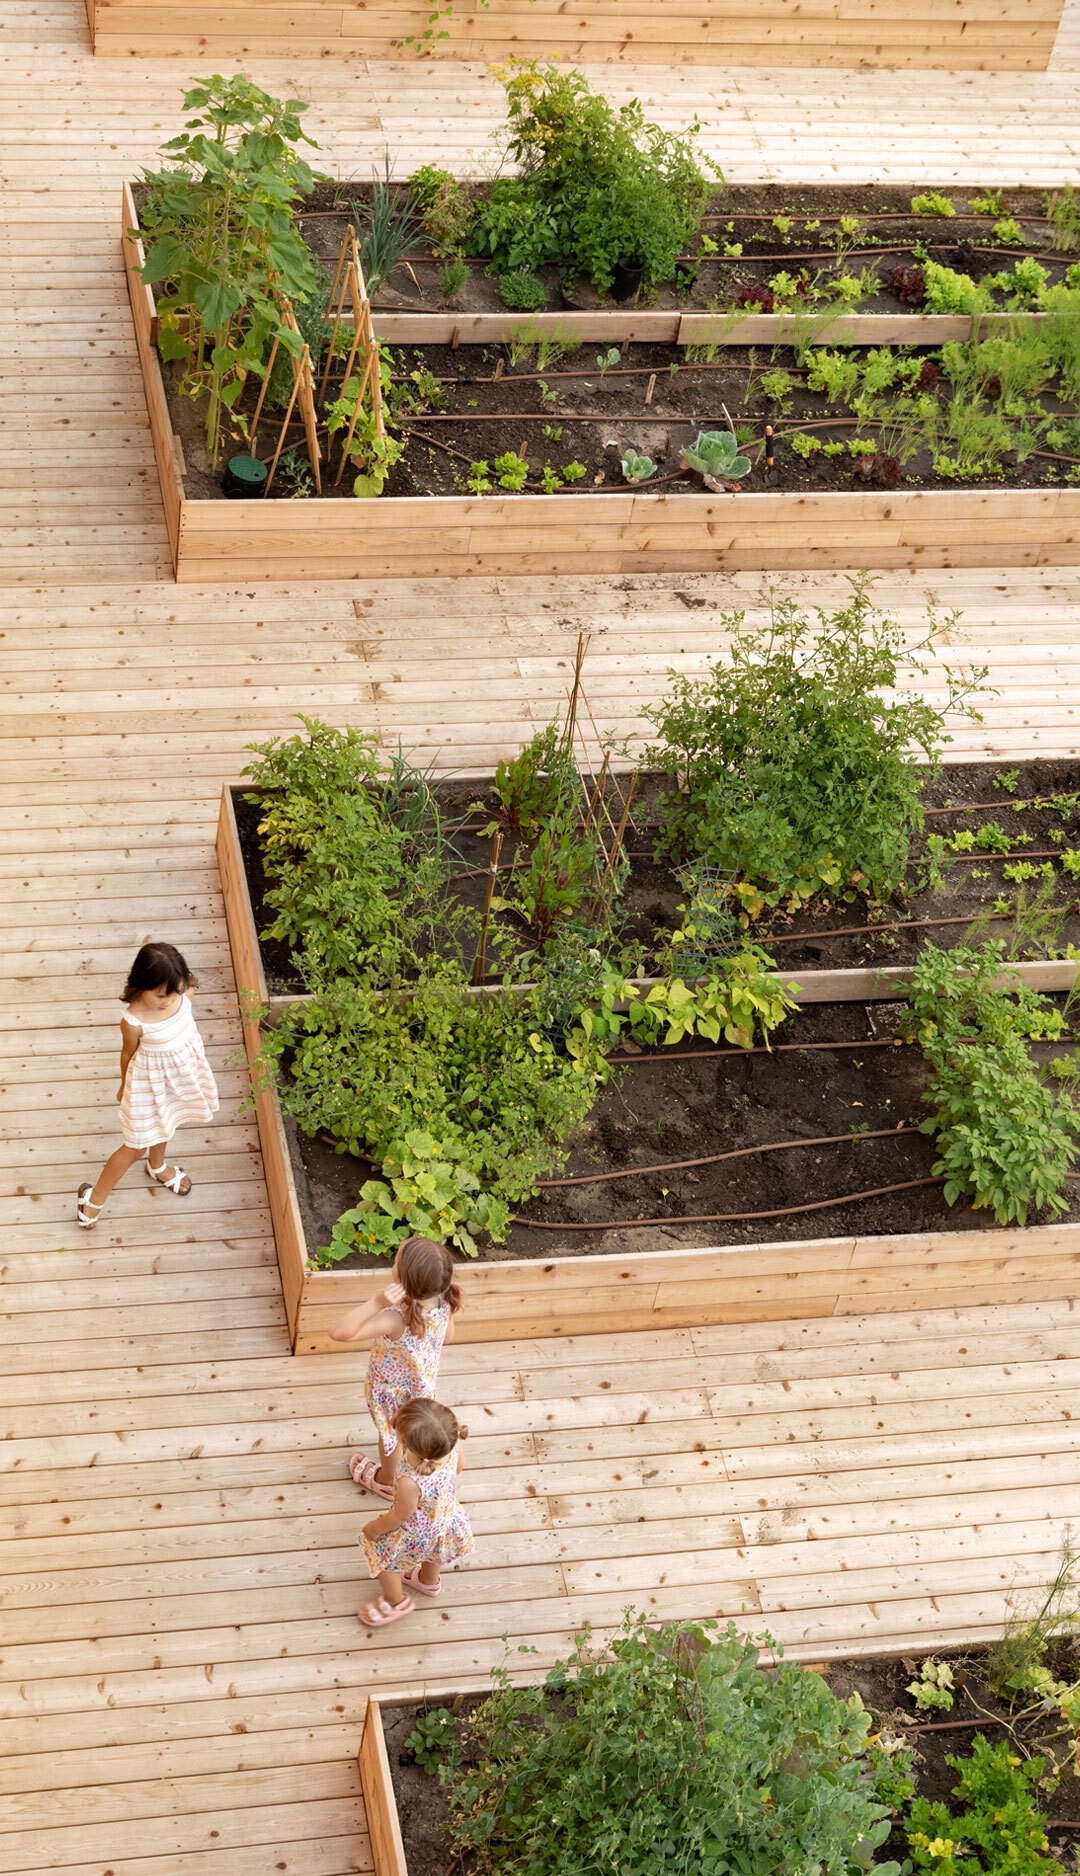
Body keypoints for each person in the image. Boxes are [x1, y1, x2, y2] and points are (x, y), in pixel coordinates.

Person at [76, 942, 219, 1229]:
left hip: (178, 1078)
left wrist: (180, 993)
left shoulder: (184, 993)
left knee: (169, 1120)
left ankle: (158, 1167)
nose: (169, 1000)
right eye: (160, 995)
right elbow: (128, 1053)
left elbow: (186, 992)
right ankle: (93, 1200)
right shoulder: (133, 1021)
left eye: (175, 991)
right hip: (148, 1084)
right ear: (141, 985)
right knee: (134, 1146)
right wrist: (123, 1085)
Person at [330, 1235, 462, 1499]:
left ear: (402, 1280)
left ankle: (387, 1480)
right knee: (413, 1428)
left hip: (392, 1394)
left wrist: (377, 1303)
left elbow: (339, 1332)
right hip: (423, 1388)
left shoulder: (395, 1318)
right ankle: (424, 1461)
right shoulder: (444, 1301)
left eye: (396, 1259)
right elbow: (446, 1338)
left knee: (391, 1436)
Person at [357, 1398, 472, 1628]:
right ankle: (428, 1581)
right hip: (446, 1519)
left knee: (382, 1558)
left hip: (416, 1533)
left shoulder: (411, 1480)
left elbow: (400, 1515)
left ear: (405, 1444)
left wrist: (373, 1529)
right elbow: (459, 1467)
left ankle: (395, 1601)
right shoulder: (451, 1444)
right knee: (436, 1551)